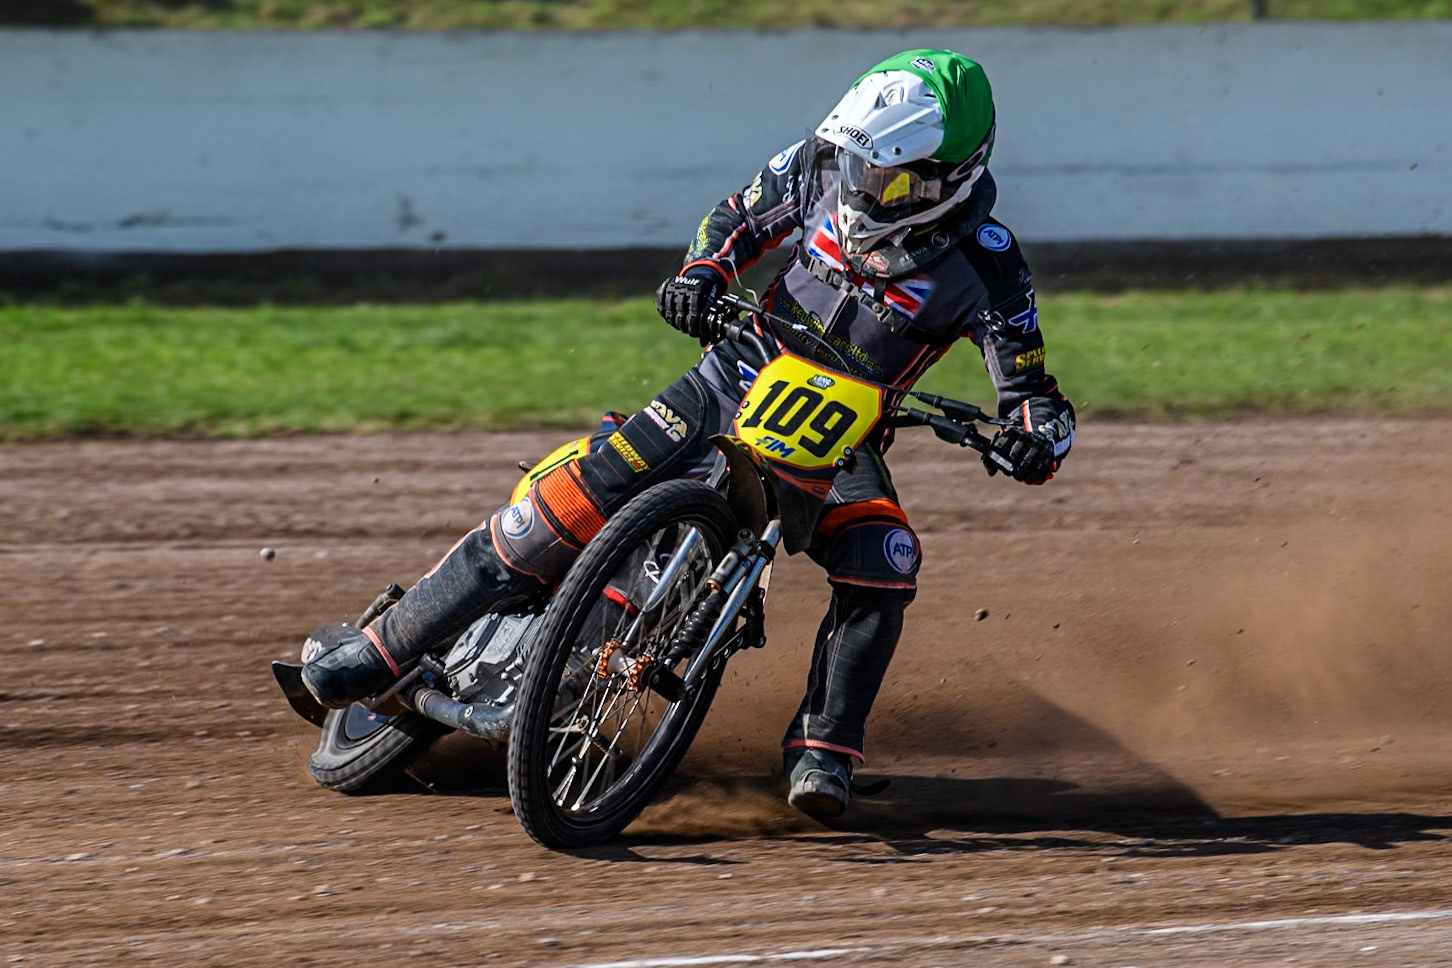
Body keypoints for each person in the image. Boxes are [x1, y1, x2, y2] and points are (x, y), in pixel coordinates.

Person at [301, 49, 1075, 819]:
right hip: (731, 374)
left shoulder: (991, 267)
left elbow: (1035, 394)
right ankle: (381, 652)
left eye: (890, 179)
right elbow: (736, 217)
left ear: (952, 177)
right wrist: (701, 271)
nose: (864, 187)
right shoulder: (820, 165)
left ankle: (823, 749)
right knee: (573, 498)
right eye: (861, 167)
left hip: (844, 438)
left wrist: (1034, 438)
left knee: (886, 559)